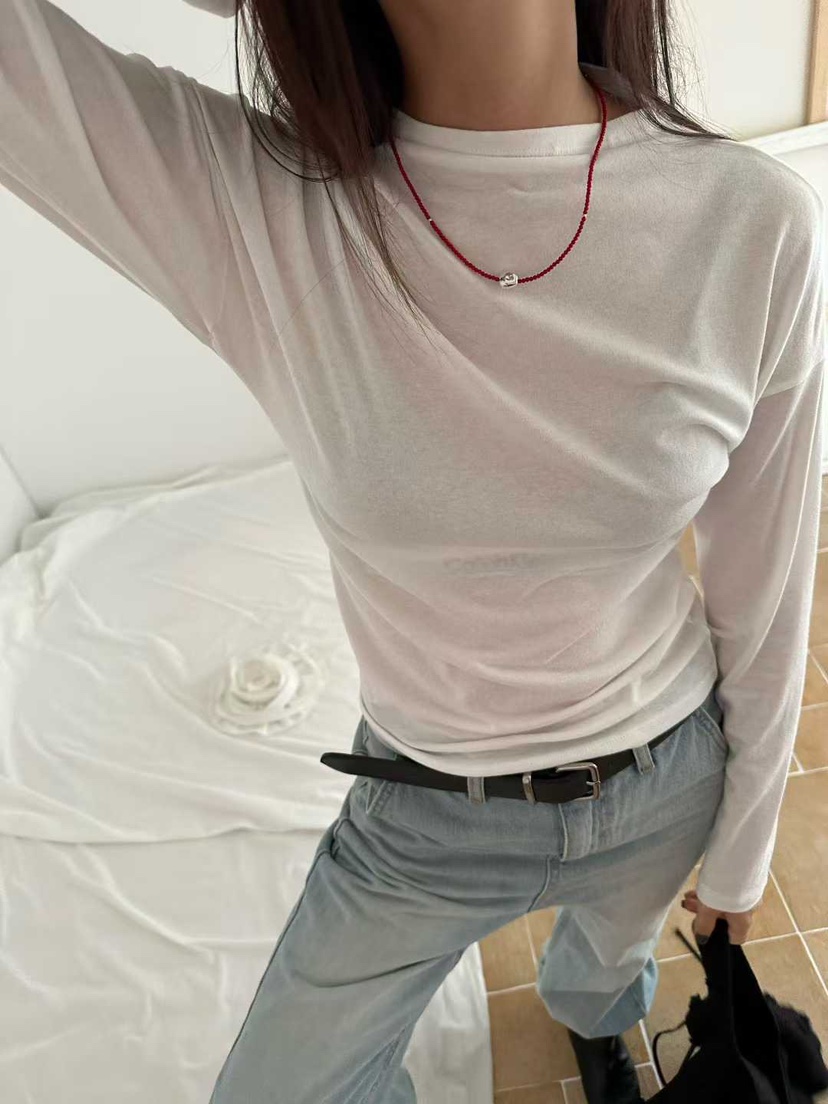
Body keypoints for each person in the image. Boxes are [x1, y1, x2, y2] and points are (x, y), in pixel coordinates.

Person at [2, 1, 823, 1101]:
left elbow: (766, 591)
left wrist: (744, 853)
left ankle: (597, 1031)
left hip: (663, 777)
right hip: (425, 816)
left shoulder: (750, 222)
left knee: (601, 978)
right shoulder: (257, 209)